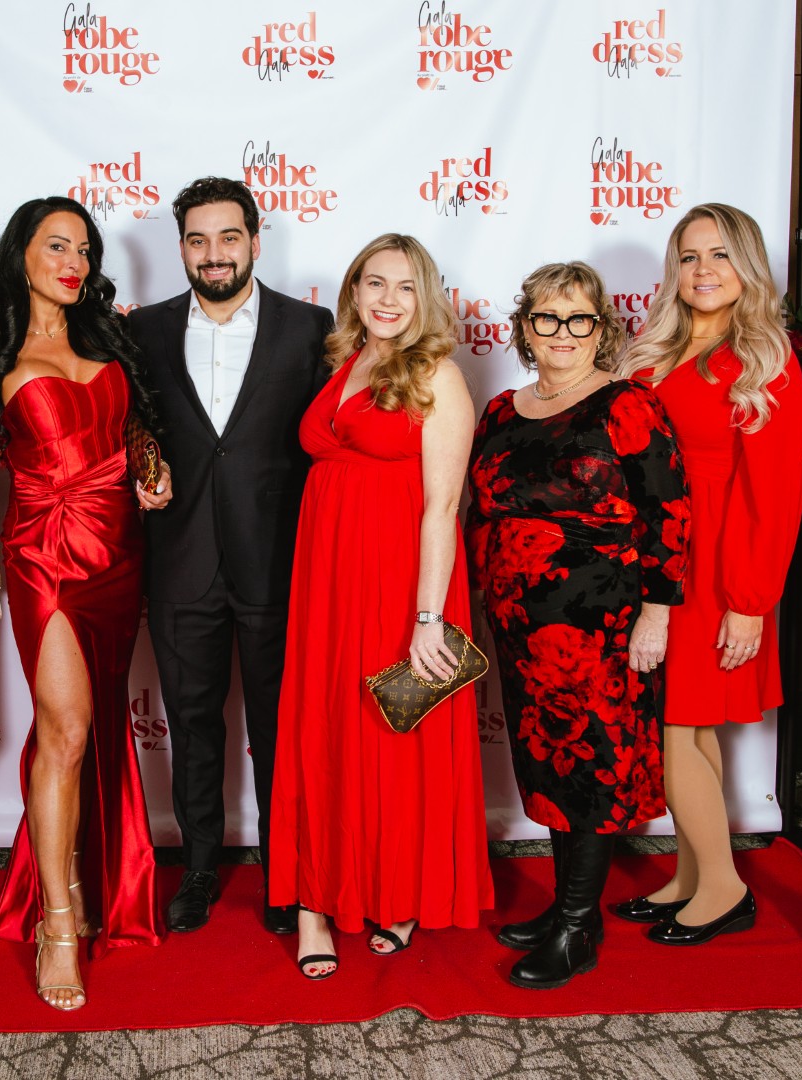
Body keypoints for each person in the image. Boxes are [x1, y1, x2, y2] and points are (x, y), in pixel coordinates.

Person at [0, 196, 171, 1011]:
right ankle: (57, 922)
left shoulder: (108, 334)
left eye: (83, 249)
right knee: (67, 730)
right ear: (21, 254)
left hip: (120, 549)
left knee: (102, 724)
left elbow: (135, 432)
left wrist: (153, 469)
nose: (73, 262)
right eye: (56, 246)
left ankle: (88, 878)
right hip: (44, 555)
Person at [268, 234, 493, 980]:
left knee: (392, 735)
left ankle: (396, 891)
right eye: (374, 283)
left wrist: (428, 618)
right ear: (354, 291)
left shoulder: (438, 374)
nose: (388, 299)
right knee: (324, 730)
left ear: (426, 297)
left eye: (404, 286)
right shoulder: (346, 361)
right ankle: (314, 902)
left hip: (401, 580)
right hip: (327, 579)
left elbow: (443, 506)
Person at [468, 262, 690, 989]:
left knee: (591, 765)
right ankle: (573, 910)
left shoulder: (627, 405)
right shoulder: (501, 411)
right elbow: (480, 512)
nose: (562, 333)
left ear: (602, 329)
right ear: (525, 329)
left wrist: (657, 613)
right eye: (547, 318)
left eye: (579, 319)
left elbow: (669, 512)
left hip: (600, 629)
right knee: (548, 764)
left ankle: (574, 928)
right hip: (517, 629)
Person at [128, 177, 335, 936]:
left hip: (280, 562)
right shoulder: (143, 330)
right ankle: (200, 867)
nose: (213, 254)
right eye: (197, 239)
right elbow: (131, 424)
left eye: (227, 237)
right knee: (191, 726)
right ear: (181, 246)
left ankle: (288, 873)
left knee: (282, 730)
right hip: (180, 559)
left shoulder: (310, 327)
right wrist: (141, 463)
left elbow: (329, 442)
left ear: (254, 240)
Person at [617, 204, 802, 944]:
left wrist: (750, 601)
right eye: (690, 256)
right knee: (688, 727)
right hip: (652, 559)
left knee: (676, 725)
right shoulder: (653, 350)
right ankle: (693, 874)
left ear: (748, 266)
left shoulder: (763, 360)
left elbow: (777, 496)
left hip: (714, 566)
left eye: (721, 254)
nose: (703, 270)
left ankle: (725, 890)